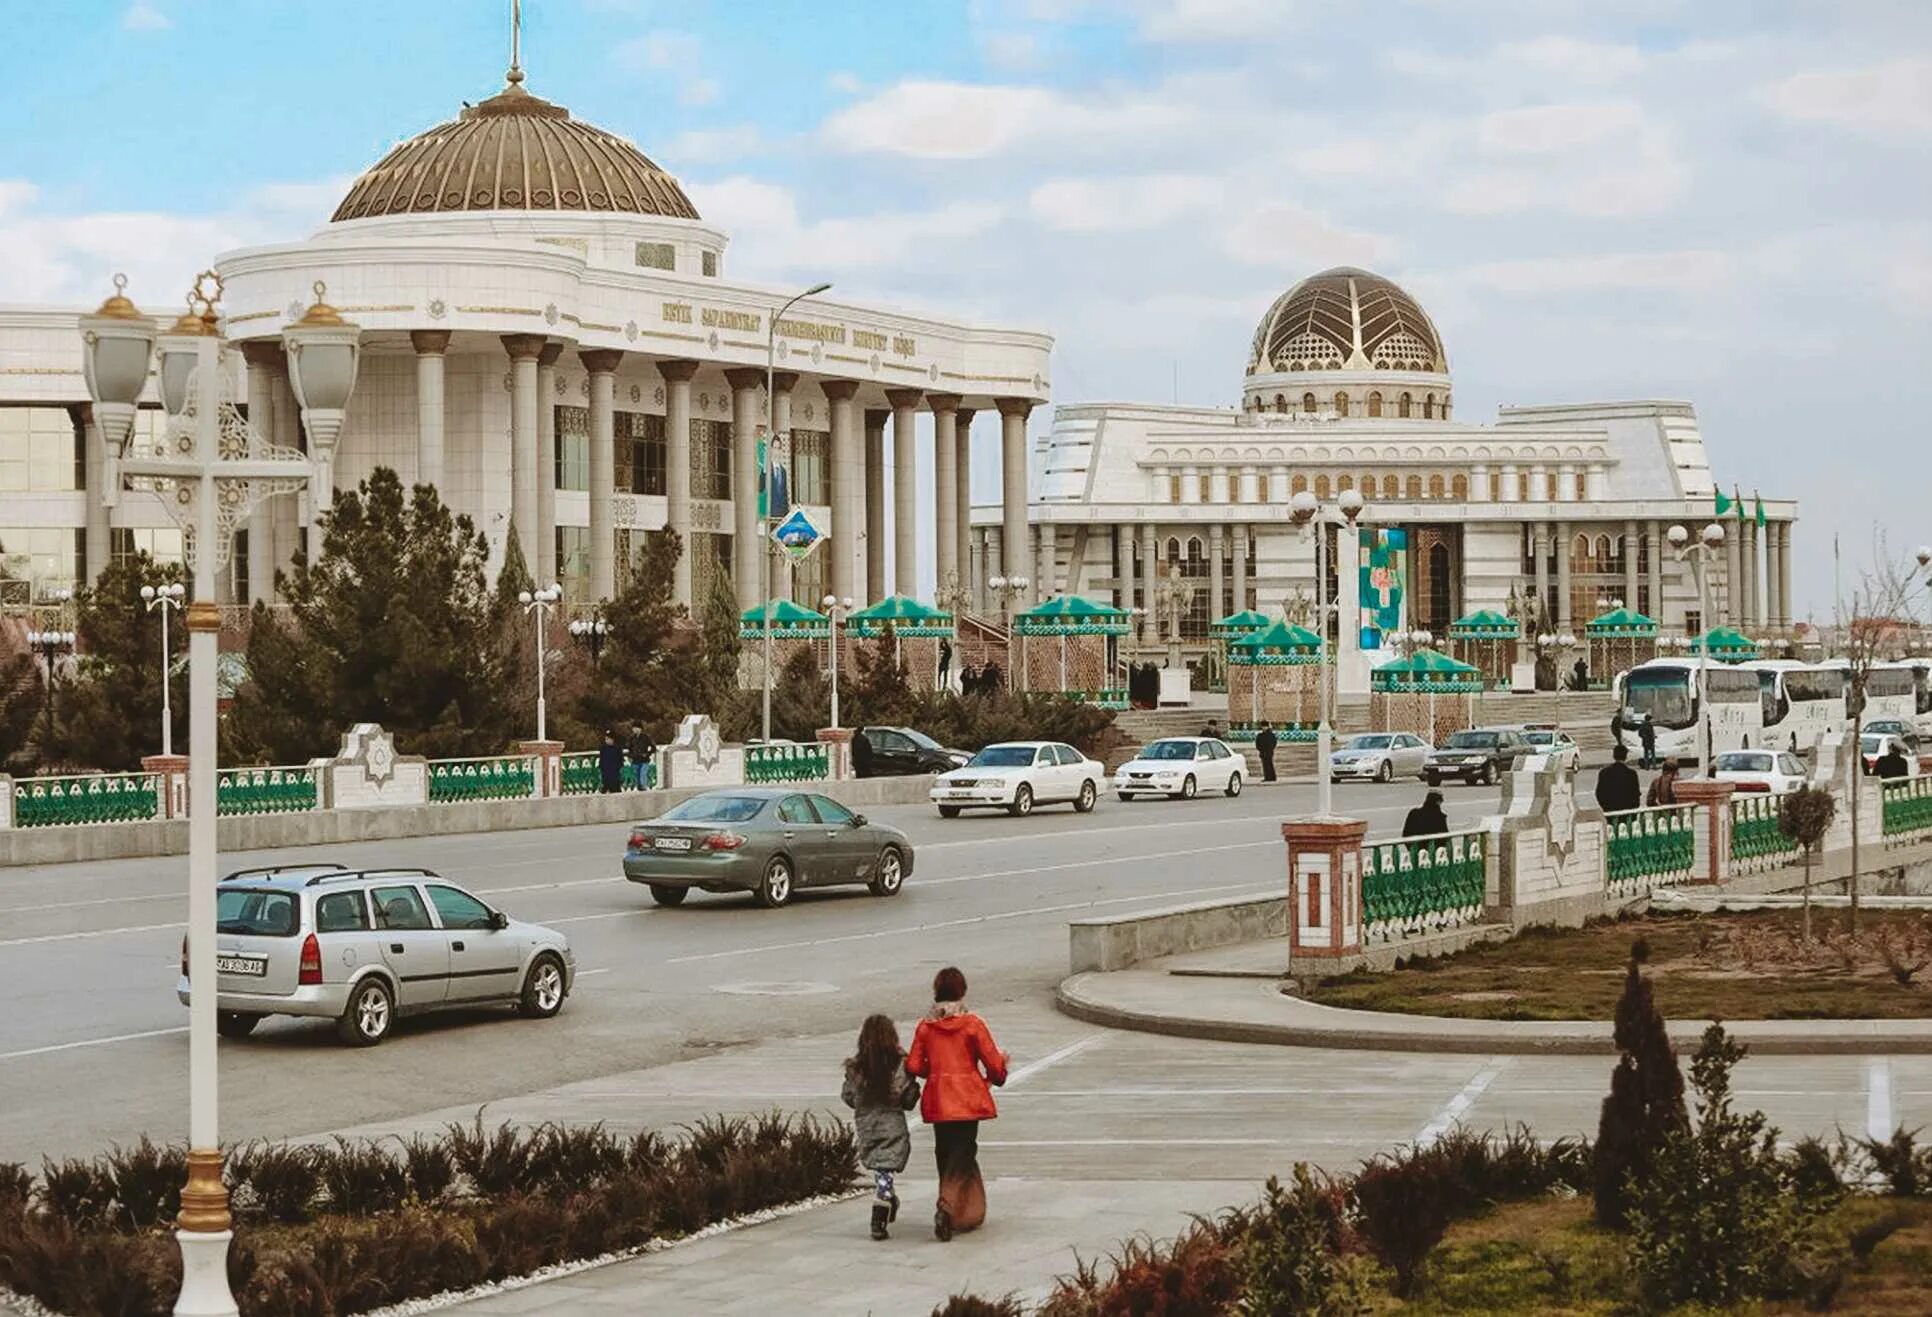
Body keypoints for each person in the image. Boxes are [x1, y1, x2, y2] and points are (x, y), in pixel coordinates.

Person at [906, 966, 1008, 1242]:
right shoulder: (973, 1024)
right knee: (963, 1153)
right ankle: (947, 1207)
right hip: (966, 1100)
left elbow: (914, 1064)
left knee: (945, 1152)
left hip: (939, 1100)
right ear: (962, 991)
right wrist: (999, 1073)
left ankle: (959, 1210)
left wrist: (936, 1073)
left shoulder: (926, 1027)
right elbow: (993, 1062)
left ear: (936, 991)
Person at [841, 1014, 920, 1241]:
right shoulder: (900, 1065)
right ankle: (882, 1203)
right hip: (892, 1127)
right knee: (886, 1167)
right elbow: (907, 1099)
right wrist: (914, 1089)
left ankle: (886, 1198)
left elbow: (849, 1096)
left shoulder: (856, 1069)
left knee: (880, 1167)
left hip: (867, 1127)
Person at [1595, 744, 1642, 814]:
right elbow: (1635, 794)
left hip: (1610, 811)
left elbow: (1599, 793)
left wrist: (1605, 807)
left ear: (1614, 756)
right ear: (1626, 756)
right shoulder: (1631, 774)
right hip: (1628, 812)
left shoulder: (1604, 773)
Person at [626, 721, 656, 790]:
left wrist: (647, 754)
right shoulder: (631, 738)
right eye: (633, 728)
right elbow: (629, 748)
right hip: (635, 760)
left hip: (644, 760)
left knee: (643, 774)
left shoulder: (646, 737)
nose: (634, 730)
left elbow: (653, 747)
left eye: (636, 728)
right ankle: (640, 789)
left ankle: (644, 787)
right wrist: (630, 756)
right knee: (637, 778)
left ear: (640, 729)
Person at [597, 729, 624, 794]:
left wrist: (619, 768)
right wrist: (600, 767)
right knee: (604, 789)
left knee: (616, 790)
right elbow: (601, 759)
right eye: (606, 739)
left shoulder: (617, 748)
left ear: (613, 739)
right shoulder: (603, 748)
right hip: (606, 773)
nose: (607, 740)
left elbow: (620, 760)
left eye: (608, 739)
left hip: (614, 774)